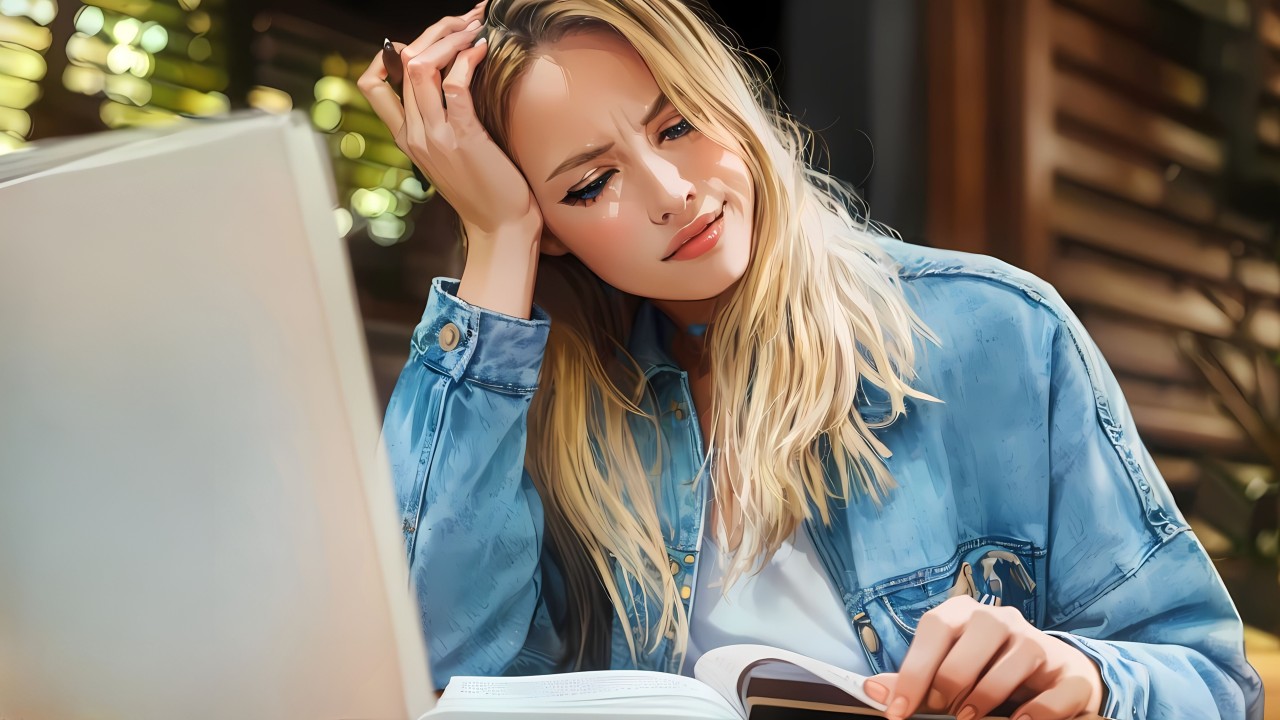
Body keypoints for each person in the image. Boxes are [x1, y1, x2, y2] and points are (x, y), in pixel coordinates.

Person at [358, 1, 1264, 718]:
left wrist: (1087, 678)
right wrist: (497, 235)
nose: (673, 192)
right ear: (551, 232)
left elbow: (1211, 683)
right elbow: (439, 672)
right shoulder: (559, 425)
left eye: (677, 125)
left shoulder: (991, 332)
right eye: (589, 185)